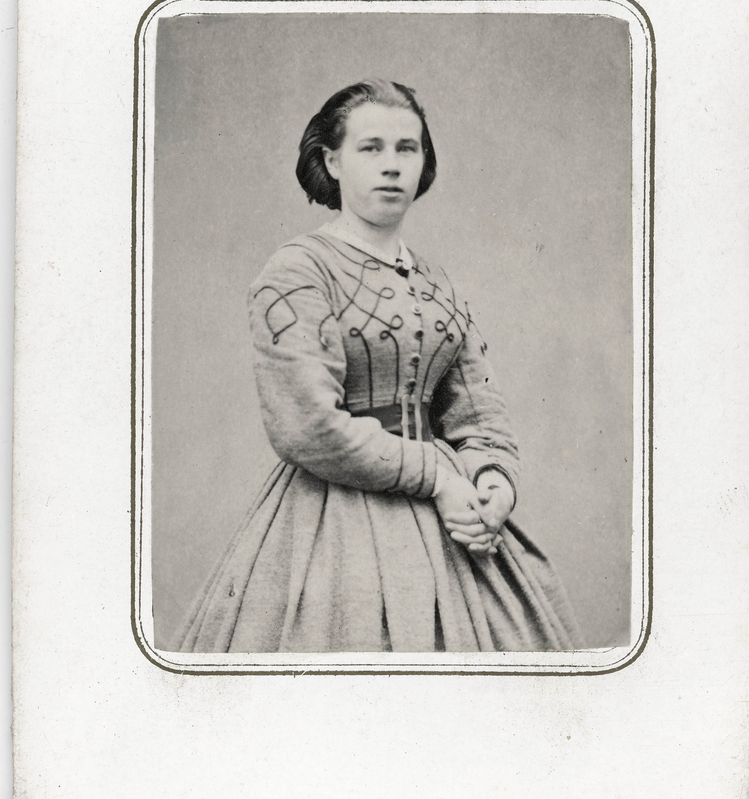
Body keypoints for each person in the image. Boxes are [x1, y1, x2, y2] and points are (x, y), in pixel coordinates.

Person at [179, 79, 580, 653]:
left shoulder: (437, 280)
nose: (392, 165)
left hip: (456, 524)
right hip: (334, 523)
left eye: (406, 148)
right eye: (371, 148)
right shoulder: (298, 271)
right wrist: (439, 476)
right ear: (332, 161)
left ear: (423, 162)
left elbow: (478, 413)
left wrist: (493, 485)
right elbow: (308, 427)